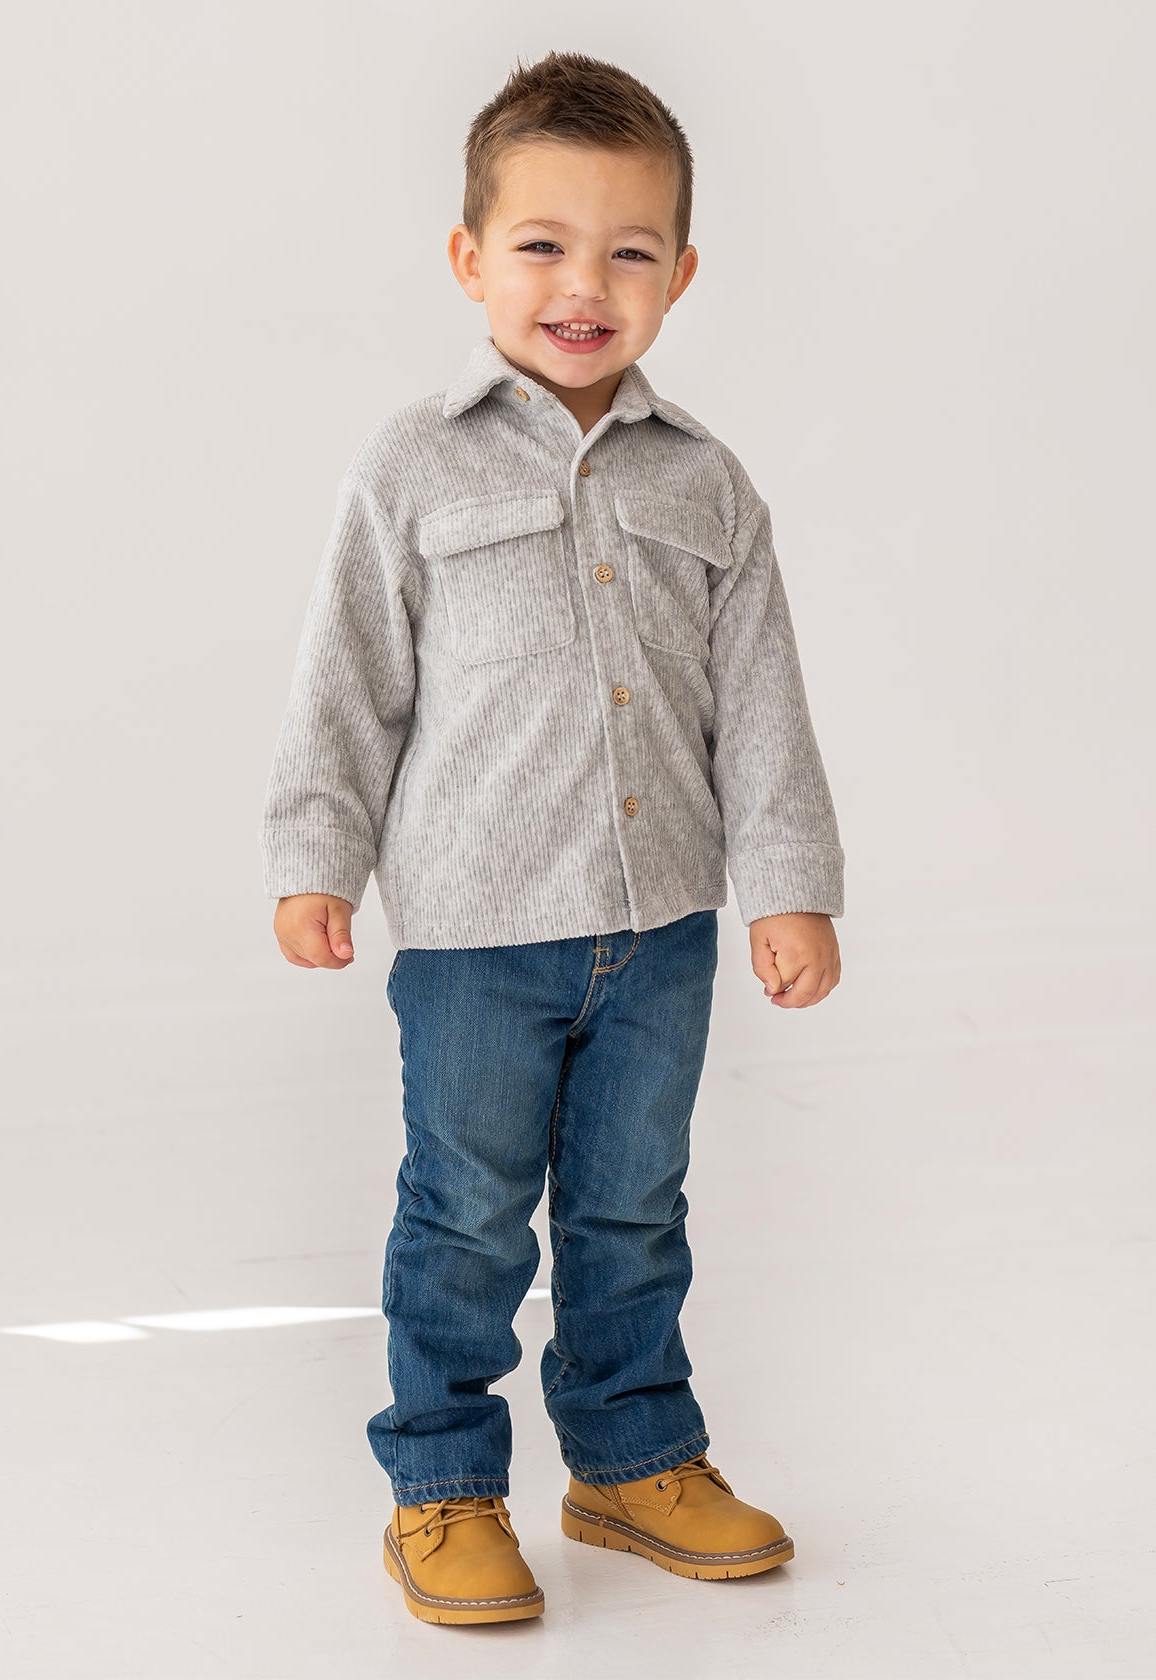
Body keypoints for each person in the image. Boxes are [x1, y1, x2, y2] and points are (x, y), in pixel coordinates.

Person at [259, 49, 844, 1627]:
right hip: (472, 936)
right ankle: (443, 1487)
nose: (584, 283)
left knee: (631, 1209)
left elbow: (765, 705)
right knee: (462, 1214)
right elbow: (348, 682)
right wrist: (313, 855)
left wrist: (790, 890)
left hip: (663, 933)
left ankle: (631, 1458)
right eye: (541, 244)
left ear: (681, 274)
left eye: (629, 250)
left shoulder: (707, 483)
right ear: (469, 260)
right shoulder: (413, 465)